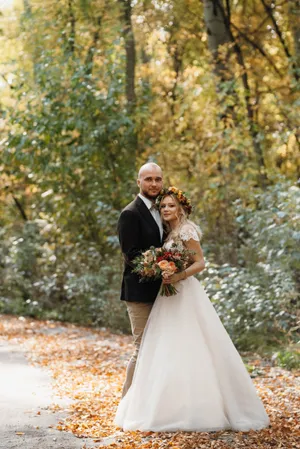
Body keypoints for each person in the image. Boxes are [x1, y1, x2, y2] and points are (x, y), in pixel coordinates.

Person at [114, 187, 270, 432]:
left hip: (185, 292)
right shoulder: (169, 232)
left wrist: (179, 275)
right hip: (168, 296)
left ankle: (200, 407)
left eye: (171, 206)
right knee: (167, 348)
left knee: (192, 345)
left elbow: (200, 262)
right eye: (163, 206)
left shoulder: (187, 230)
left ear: (180, 208)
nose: (166, 209)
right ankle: (168, 406)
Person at [117, 162, 164, 398]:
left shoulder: (165, 209)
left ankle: (154, 402)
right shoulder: (130, 213)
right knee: (142, 348)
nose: (153, 183)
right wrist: (162, 266)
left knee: (162, 348)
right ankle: (127, 404)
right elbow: (132, 256)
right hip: (139, 293)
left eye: (157, 179)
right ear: (139, 182)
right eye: (148, 179)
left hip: (165, 292)